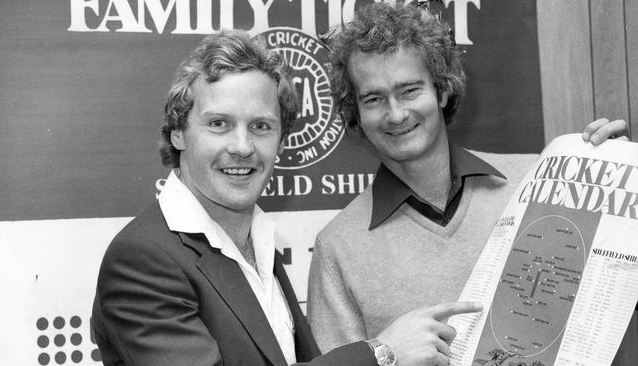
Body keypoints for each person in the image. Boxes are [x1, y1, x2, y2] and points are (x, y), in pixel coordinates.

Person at [91, 29, 483, 366]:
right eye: (218, 124)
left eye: (261, 126)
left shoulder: (256, 244)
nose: (242, 147)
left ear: (281, 140)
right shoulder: (143, 258)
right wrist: (382, 352)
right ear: (178, 132)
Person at [307, 2, 636, 365]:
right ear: (356, 112)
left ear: (442, 91)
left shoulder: (541, 182)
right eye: (373, 99)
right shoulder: (336, 248)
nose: (396, 113)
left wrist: (622, 186)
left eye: (410, 90)